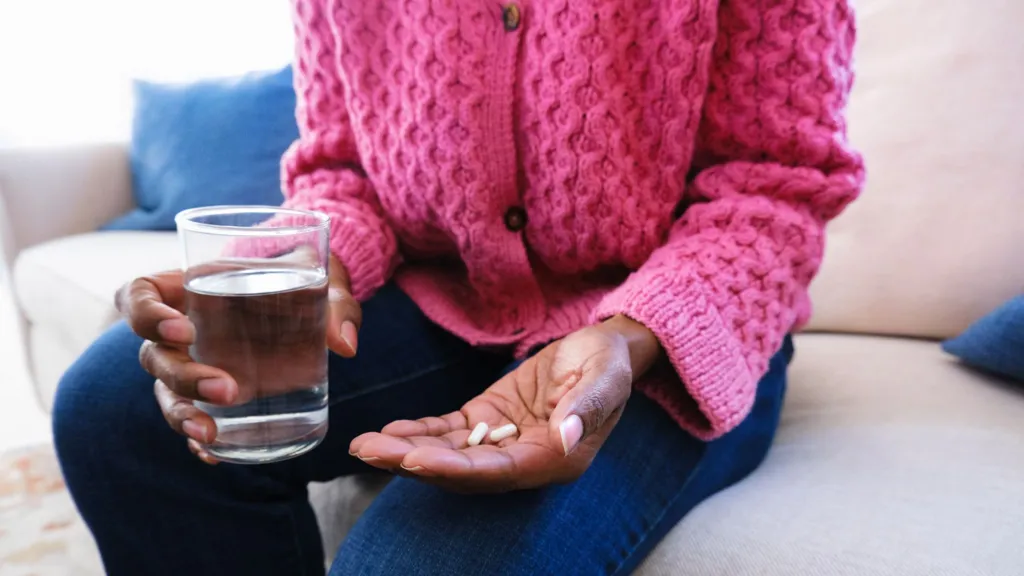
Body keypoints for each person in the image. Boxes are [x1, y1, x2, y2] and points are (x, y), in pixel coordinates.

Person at [52, 0, 864, 574]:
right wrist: (308, 267)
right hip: (443, 301)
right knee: (112, 405)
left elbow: (776, 188)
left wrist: (630, 335)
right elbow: (342, 166)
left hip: (673, 333)